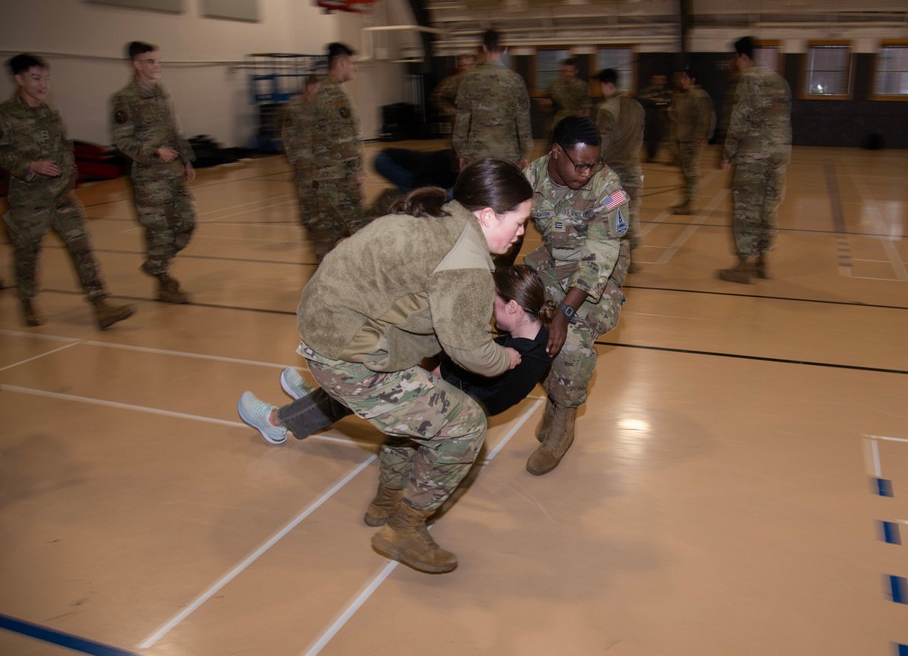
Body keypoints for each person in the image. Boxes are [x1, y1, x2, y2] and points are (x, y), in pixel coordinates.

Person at [286, 158, 533, 574]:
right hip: (346, 354)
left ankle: (386, 498)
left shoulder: (440, 218)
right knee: (465, 425)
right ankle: (404, 528)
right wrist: (506, 357)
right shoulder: (466, 263)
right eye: (520, 222)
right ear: (488, 215)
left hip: (326, 325)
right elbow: (471, 352)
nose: (522, 233)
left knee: (418, 413)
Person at [236, 264, 555, 445]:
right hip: (472, 397)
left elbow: (447, 378)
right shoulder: (543, 340)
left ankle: (277, 421)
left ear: (514, 308)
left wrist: (404, 384)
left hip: (455, 411)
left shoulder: (500, 356)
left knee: (367, 383)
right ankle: (319, 398)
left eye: (494, 303)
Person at [523, 116, 630, 475]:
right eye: (579, 164)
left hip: (599, 278)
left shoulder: (609, 187)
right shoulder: (531, 177)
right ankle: (556, 396)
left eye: (593, 164)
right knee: (517, 325)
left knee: (570, 343)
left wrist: (564, 314)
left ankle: (563, 424)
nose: (587, 173)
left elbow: (600, 255)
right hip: (552, 264)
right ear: (556, 152)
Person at [1, 54, 134, 329]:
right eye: (36, 78)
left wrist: (71, 175)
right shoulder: (5, 115)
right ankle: (28, 301)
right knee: (28, 254)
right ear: (19, 79)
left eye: (46, 78)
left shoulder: (53, 113)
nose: (43, 84)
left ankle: (100, 304)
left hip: (61, 197)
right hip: (28, 201)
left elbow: (65, 147)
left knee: (82, 248)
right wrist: (30, 165)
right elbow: (2, 154)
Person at [111, 41, 197, 303]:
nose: (155, 66)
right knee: (159, 231)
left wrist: (187, 160)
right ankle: (163, 280)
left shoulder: (161, 91)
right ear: (136, 64)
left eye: (157, 61)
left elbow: (175, 129)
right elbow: (122, 141)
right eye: (149, 61)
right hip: (149, 177)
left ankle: (155, 264)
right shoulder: (125, 99)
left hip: (172, 172)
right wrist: (155, 151)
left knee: (187, 223)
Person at [718, 36, 792, 283]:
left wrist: (727, 154)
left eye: (735, 59)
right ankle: (763, 263)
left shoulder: (749, 80)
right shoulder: (779, 80)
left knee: (746, 211)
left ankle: (743, 265)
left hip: (753, 157)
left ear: (742, 57)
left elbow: (739, 121)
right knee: (767, 209)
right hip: (778, 156)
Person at [308, 42, 368, 261]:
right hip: (339, 177)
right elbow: (344, 138)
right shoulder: (335, 94)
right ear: (341, 63)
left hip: (326, 175)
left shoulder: (325, 90)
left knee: (327, 234)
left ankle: (324, 284)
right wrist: (356, 170)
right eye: (352, 63)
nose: (354, 68)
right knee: (360, 229)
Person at [453, 29, 533, 170]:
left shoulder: (469, 79)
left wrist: (461, 152)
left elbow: (462, 120)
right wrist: (525, 154)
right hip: (507, 154)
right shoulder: (515, 80)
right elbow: (523, 121)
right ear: (504, 49)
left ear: (484, 47)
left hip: (477, 154)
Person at [595, 68, 645, 257]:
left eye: (601, 86)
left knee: (612, 211)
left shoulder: (607, 109)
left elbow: (602, 143)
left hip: (614, 176)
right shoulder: (636, 106)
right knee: (630, 212)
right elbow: (640, 136)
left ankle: (618, 256)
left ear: (607, 85)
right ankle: (630, 255)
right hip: (633, 170)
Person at [281, 74, 322, 256]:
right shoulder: (294, 108)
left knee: (321, 199)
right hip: (304, 164)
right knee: (306, 201)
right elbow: (287, 135)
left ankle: (320, 232)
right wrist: (296, 159)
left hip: (322, 164)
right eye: (317, 87)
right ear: (309, 87)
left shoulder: (322, 107)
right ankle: (311, 229)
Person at [671, 67, 715, 215]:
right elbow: (680, 117)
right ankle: (685, 199)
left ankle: (689, 203)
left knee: (691, 172)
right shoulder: (685, 96)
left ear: (692, 80)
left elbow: (708, 116)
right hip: (683, 139)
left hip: (692, 140)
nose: (682, 81)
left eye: (685, 78)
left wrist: (704, 136)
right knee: (685, 172)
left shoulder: (699, 95)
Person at [542, 58, 591, 138]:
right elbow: (547, 108)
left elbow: (586, 108)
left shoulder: (582, 86)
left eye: (570, 71)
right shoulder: (554, 85)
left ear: (576, 71)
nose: (567, 74)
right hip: (557, 125)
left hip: (574, 125)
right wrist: (546, 104)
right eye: (565, 71)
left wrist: (584, 126)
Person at [430, 53, 476, 126]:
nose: (466, 68)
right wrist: (452, 112)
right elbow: (436, 98)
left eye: (469, 65)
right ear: (459, 67)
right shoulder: (451, 82)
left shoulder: (482, 82)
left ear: (474, 65)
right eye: (463, 65)